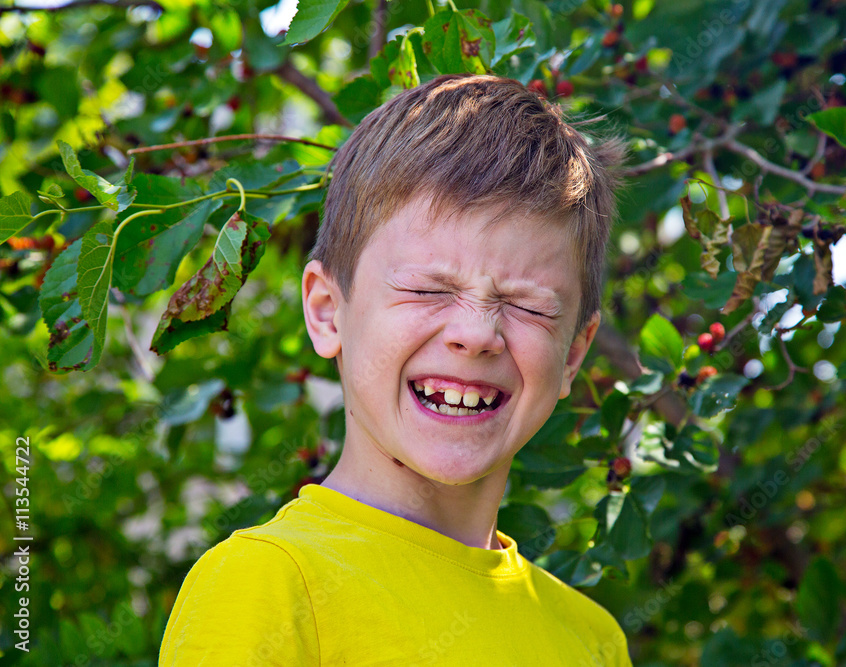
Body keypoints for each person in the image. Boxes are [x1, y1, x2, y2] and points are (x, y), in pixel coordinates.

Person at [158, 73, 633, 666]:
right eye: (428, 289)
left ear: (574, 355)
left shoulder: (593, 640)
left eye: (527, 305)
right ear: (328, 313)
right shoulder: (269, 584)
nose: (475, 334)